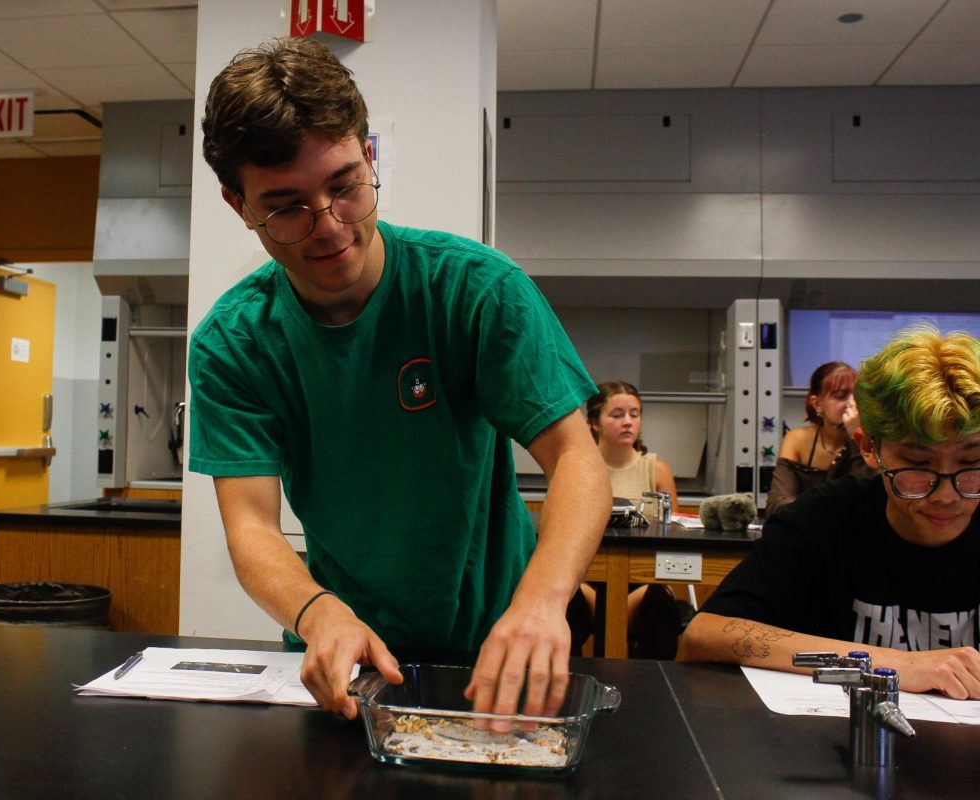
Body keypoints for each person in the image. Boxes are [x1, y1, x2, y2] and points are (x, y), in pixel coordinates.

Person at [188, 37, 611, 724]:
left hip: (494, 656)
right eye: (288, 206)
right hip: (348, 664)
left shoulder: (474, 289)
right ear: (240, 206)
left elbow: (577, 460)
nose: (328, 226)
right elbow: (252, 528)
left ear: (368, 156)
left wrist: (542, 601)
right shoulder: (234, 342)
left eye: (345, 185)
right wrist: (317, 610)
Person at [679, 326, 980, 699]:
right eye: (919, 465)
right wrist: (896, 664)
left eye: (972, 464)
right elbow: (703, 634)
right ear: (870, 449)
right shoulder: (823, 520)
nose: (947, 494)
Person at [582, 380, 684, 658]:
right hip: (588, 580)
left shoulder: (657, 469)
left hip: (643, 583)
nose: (627, 422)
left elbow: (673, 540)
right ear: (595, 423)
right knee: (568, 603)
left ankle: (651, 695)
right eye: (617, 415)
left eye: (634, 414)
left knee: (659, 606)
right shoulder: (579, 469)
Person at [765, 361, 875, 517]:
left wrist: (856, 438)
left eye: (857, 396)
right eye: (840, 396)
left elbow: (868, 501)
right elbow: (776, 504)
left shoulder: (870, 441)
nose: (852, 404)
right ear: (817, 404)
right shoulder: (797, 440)